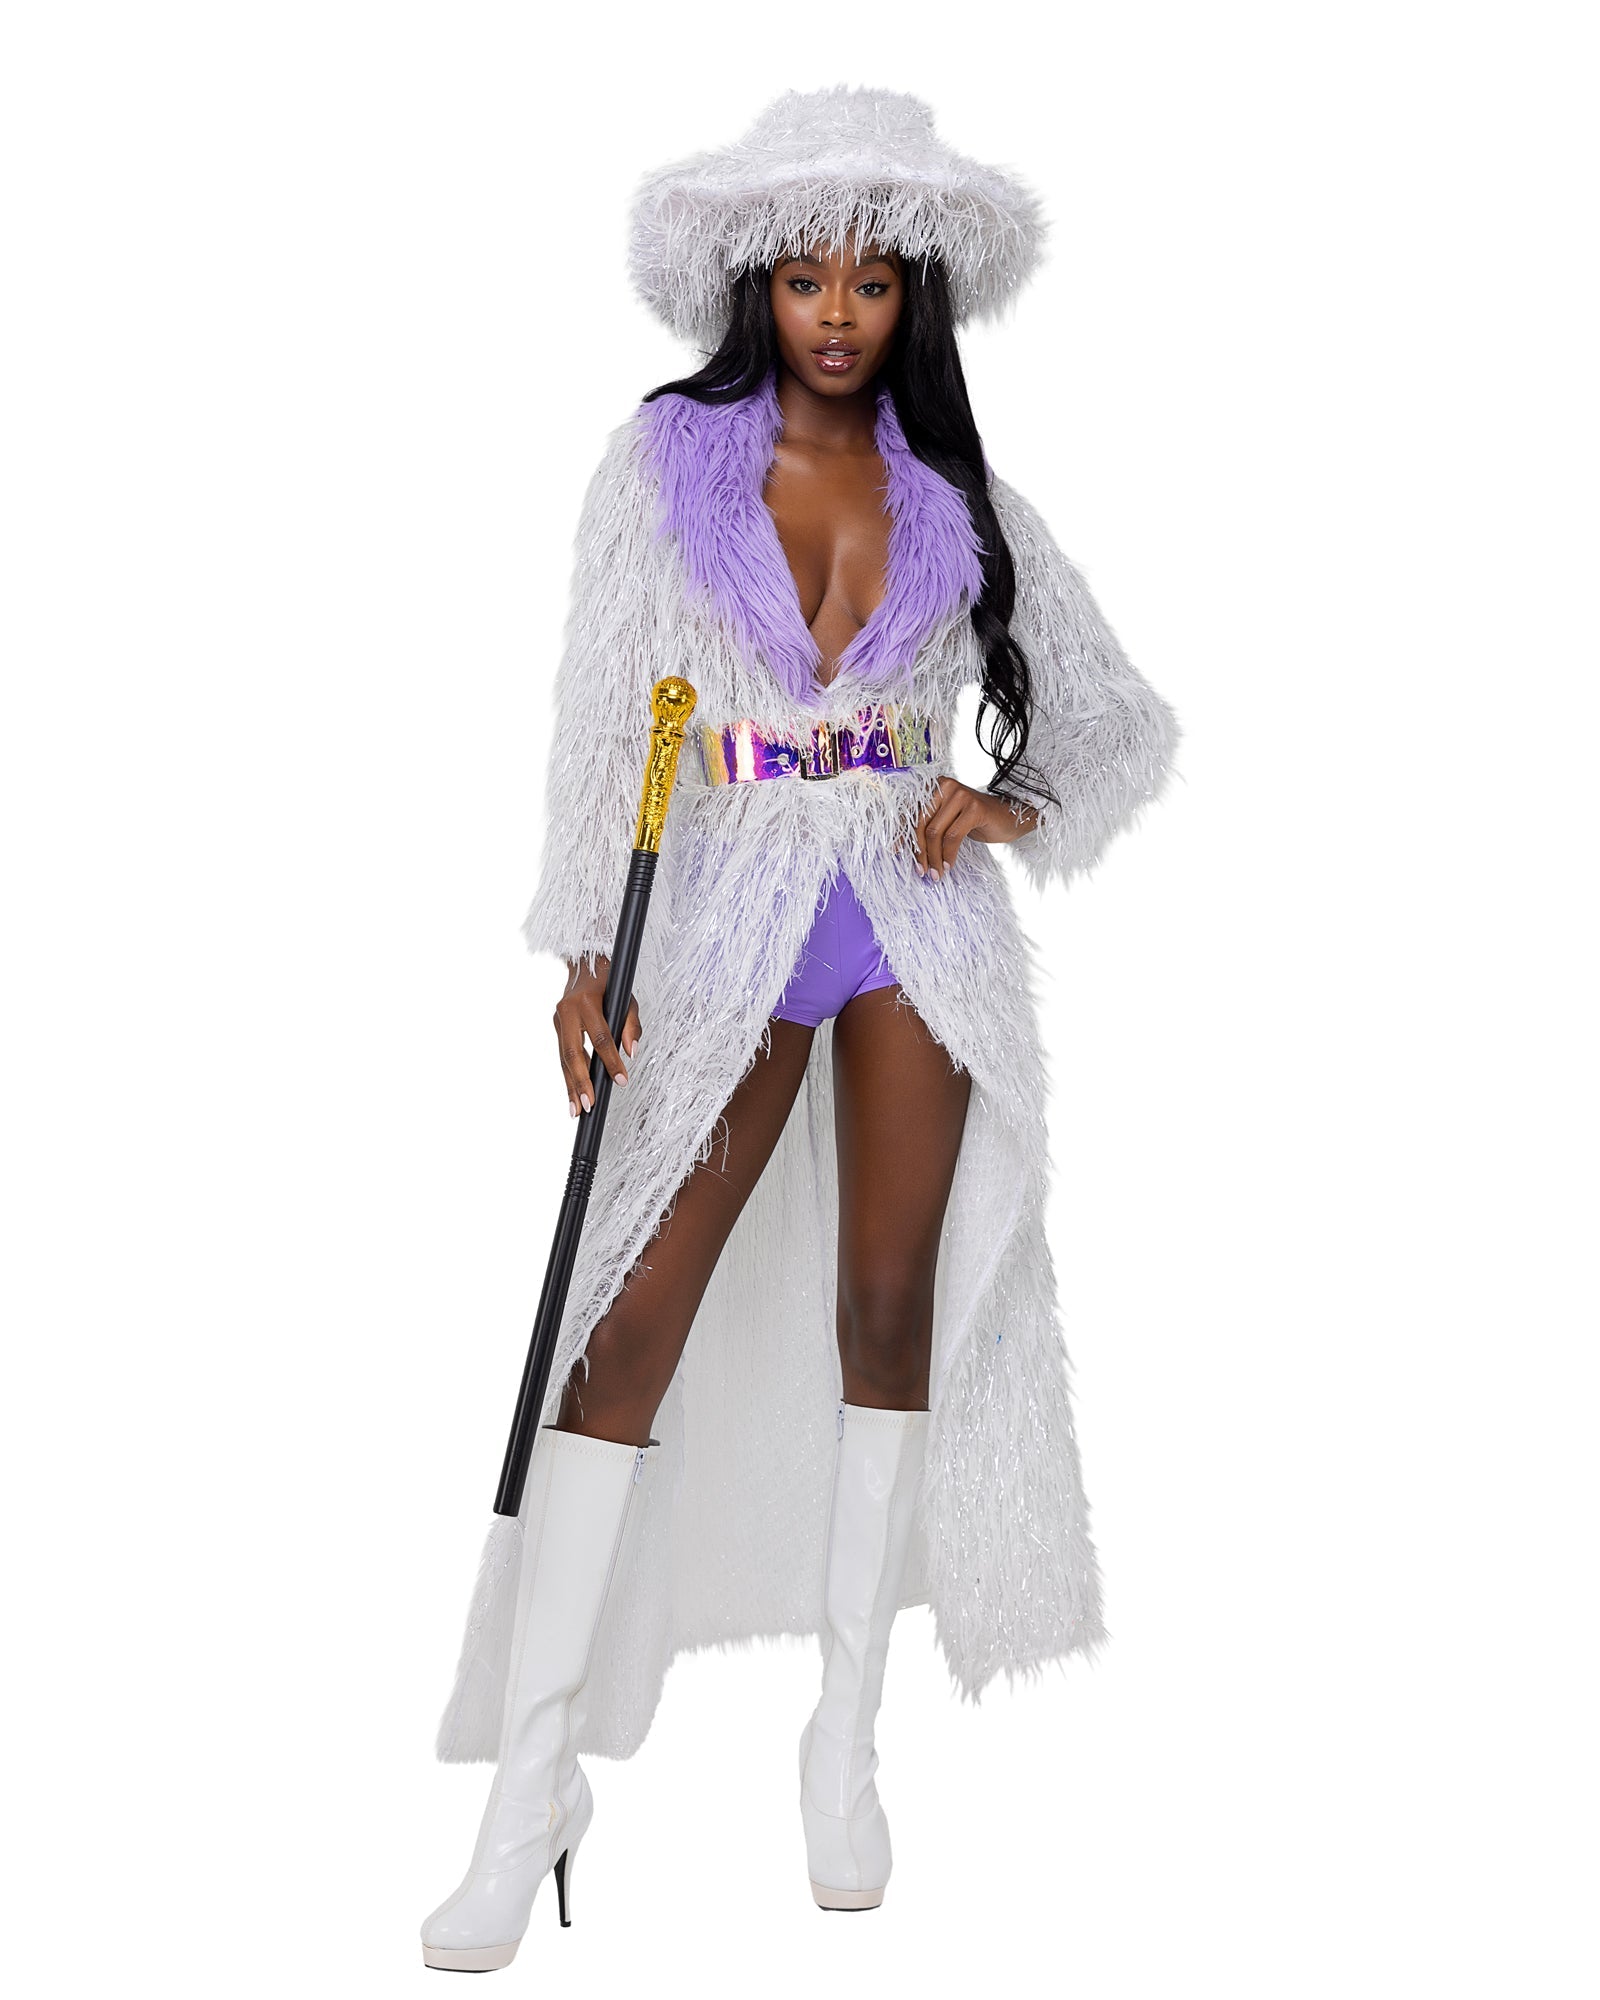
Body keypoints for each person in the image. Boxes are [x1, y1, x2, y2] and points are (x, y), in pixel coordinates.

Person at [422, 85, 1179, 1971]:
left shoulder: (959, 499)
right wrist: (581, 949)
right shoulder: (663, 465)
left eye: (871, 280)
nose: (836, 312)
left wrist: (1008, 802)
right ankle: (531, 1793)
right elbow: (603, 714)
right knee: (626, 1325)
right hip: (727, 914)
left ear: (915, 296)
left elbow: (1116, 720)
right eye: (803, 277)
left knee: (890, 1304)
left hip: (914, 925)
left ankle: (845, 1743)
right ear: (754, 285)